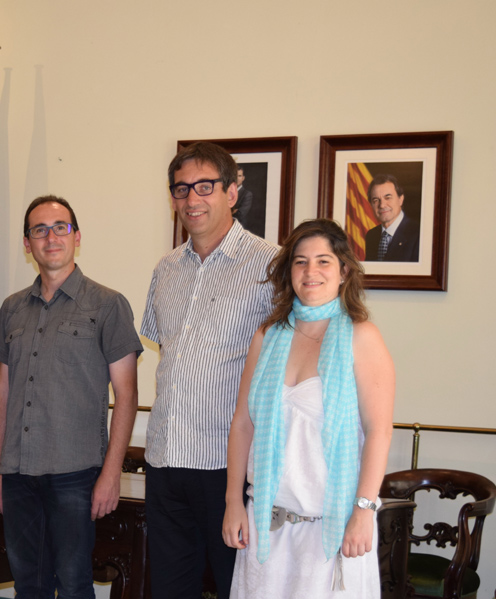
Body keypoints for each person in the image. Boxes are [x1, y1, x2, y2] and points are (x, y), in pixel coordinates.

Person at [222, 219, 394, 597]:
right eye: (300, 262)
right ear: (289, 271)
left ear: (344, 270)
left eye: (323, 261)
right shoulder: (268, 336)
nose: (310, 272)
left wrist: (364, 510)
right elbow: (242, 425)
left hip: (333, 529)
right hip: (267, 529)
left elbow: (379, 431)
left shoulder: (362, 336)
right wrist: (233, 501)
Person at [0, 195, 142, 599]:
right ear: (27, 244)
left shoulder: (108, 305)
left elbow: (126, 395)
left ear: (76, 238)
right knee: (28, 586)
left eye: (60, 227)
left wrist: (111, 474)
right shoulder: (12, 308)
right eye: (39, 229)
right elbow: (3, 387)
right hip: (18, 473)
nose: (50, 236)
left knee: (74, 585)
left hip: (76, 474)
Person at [141, 142, 278, 599]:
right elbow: (170, 353)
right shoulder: (165, 269)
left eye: (205, 186)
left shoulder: (270, 265)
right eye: (181, 189)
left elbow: (285, 365)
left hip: (229, 467)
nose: (191, 199)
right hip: (165, 460)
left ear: (233, 192)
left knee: (236, 589)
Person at [364, 174, 420, 262]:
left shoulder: (418, 234)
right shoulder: (371, 236)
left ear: (400, 199)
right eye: (375, 200)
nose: (382, 205)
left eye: (388, 198)